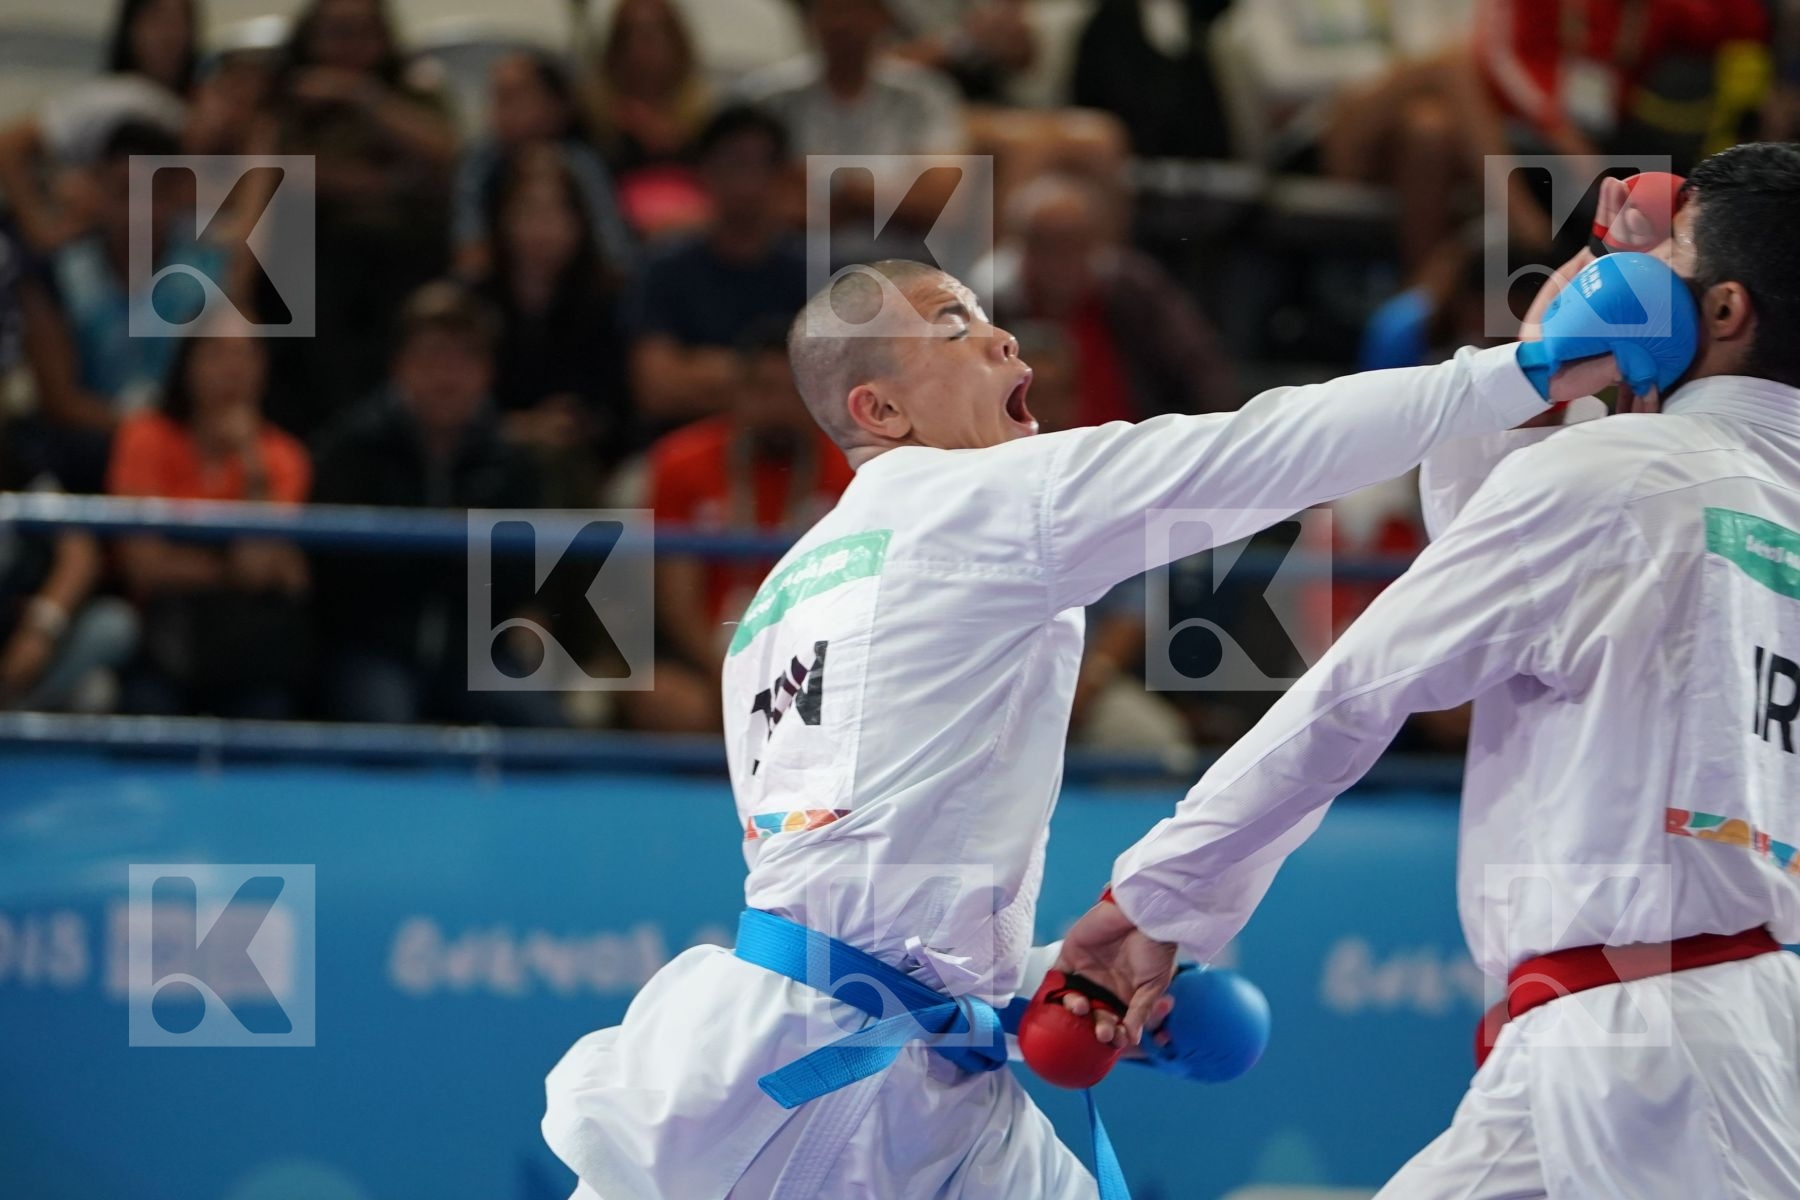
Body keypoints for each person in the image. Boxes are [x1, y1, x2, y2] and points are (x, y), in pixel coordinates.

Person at [542, 256, 1627, 1198]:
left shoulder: (775, 604)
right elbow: (1256, 449)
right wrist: (1516, 375)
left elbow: (870, 883)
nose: (1002, 333)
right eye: (954, 326)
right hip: (843, 1080)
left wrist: (1063, 977)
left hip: (830, 1048)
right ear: (880, 412)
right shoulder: (974, 501)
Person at [1057, 143, 1800, 1198]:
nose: (1618, 279)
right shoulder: (1685, 484)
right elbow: (1484, 534)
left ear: (1720, 313)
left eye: (1656, 263)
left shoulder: (1618, 480)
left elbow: (1358, 690)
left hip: (1655, 1044)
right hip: (1641, 1033)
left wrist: (1161, 893)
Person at [308, 281, 560, 728]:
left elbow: (529, 578)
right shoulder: (354, 449)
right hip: (374, 650)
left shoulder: (510, 462)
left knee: (545, 734)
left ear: (487, 372)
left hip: (478, 654)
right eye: (432, 356)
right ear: (399, 366)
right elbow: (330, 573)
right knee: (386, 733)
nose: (447, 374)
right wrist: (439, 543)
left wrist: (524, 621)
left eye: (465, 358)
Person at [626, 318, 856, 735]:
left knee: (843, 705)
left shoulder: (849, 472)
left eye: (795, 392)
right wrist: (727, 674)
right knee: (663, 698)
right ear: (738, 392)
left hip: (812, 659)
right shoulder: (682, 463)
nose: (781, 407)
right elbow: (677, 599)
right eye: (766, 390)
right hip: (706, 659)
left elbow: (848, 598)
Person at [256, 0, 459, 436]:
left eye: (363, 33)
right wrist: (388, 184)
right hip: (311, 261)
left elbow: (446, 154)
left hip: (403, 258)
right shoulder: (285, 101)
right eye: (337, 32)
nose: (350, 47)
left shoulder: (410, 92)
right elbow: (282, 177)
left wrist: (361, 95)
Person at [108, 328, 312, 719]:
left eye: (246, 355)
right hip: (162, 644)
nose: (233, 369)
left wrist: (253, 470)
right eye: (217, 353)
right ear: (187, 363)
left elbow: (254, 570)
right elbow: (144, 567)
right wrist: (230, 568)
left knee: (267, 714)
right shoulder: (145, 437)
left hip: (245, 651)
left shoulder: (283, 457)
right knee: (145, 714)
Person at [18, 121, 225, 493]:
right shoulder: (57, 273)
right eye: (125, 191)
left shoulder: (210, 272)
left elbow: (224, 382)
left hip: (183, 446)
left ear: (178, 193)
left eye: (156, 193)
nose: (141, 211)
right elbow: (59, 398)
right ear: (98, 189)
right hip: (89, 446)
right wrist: (143, 432)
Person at [992, 172, 1237, 421]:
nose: (1059, 258)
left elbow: (1202, 369)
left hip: (1135, 447)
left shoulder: (1135, 293)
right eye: (1044, 242)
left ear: (1095, 243)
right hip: (1030, 451)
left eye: (1072, 241)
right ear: (1018, 246)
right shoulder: (993, 310)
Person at [625, 105, 808, 432]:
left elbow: (825, 395)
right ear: (704, 172)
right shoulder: (662, 268)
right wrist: (772, 381)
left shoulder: (815, 272)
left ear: (783, 177)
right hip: (675, 448)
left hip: (789, 455)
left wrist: (700, 368)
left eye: (761, 166)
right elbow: (656, 390)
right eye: (734, 165)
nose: (748, 185)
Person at [475, 145, 632, 506]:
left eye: (558, 211)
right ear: (502, 218)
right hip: (485, 459)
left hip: (588, 463)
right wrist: (518, 428)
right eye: (529, 211)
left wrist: (578, 424)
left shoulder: (610, 301)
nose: (543, 228)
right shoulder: (473, 300)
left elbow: (621, 409)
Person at [0, 0, 196, 254]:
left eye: (178, 22)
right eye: (156, 21)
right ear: (130, 29)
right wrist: (40, 229)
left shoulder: (191, 107)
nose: (169, 34)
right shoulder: (116, 97)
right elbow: (9, 145)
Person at [452, 49, 634, 279]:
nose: (503, 111)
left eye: (516, 97)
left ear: (557, 105)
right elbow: (469, 246)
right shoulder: (480, 163)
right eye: (498, 97)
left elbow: (613, 246)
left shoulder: (582, 164)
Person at [585, 0, 715, 237]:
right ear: (614, 48)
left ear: (678, 43)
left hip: (698, 241)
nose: (643, 45)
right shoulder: (593, 123)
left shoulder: (707, 123)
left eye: (655, 33)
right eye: (631, 35)